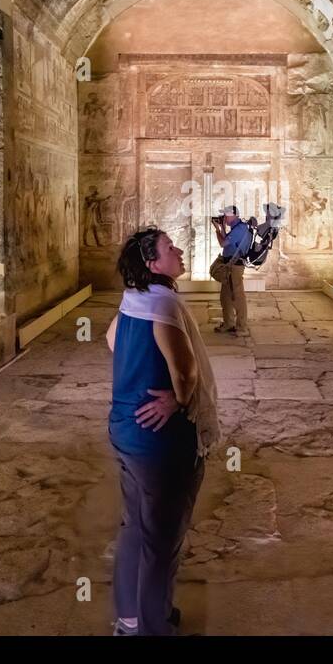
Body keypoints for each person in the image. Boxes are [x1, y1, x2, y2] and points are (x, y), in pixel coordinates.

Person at [106, 228, 220, 636]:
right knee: (161, 539)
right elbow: (186, 373)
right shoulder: (163, 303)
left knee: (134, 525)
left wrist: (139, 372)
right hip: (157, 441)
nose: (181, 250)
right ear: (154, 264)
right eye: (171, 248)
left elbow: (111, 337)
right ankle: (153, 627)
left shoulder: (133, 297)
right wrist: (177, 398)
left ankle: (128, 618)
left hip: (123, 427)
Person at [209, 206, 253, 335]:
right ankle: (229, 323)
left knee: (238, 297)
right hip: (229, 266)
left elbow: (223, 243)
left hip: (235, 267)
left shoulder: (240, 228)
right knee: (225, 297)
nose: (224, 218)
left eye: (226, 215)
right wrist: (222, 228)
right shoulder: (236, 228)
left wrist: (217, 229)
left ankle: (242, 327)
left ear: (233, 215)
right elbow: (227, 241)